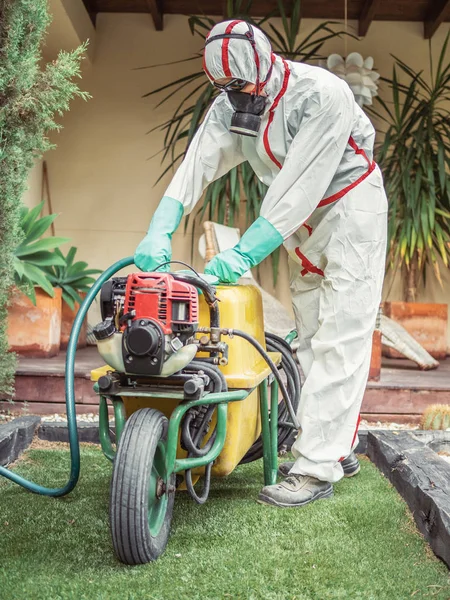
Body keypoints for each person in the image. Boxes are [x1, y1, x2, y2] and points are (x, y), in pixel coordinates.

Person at [135, 20, 387, 508]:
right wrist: (159, 227)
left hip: (349, 212)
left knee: (341, 338)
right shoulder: (230, 102)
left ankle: (315, 469)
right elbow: (196, 167)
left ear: (267, 64)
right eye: (226, 87)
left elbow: (298, 188)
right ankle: (338, 447)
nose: (237, 96)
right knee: (311, 335)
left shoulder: (322, 94)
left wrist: (242, 254)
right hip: (301, 225)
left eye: (243, 84)